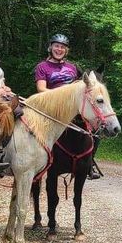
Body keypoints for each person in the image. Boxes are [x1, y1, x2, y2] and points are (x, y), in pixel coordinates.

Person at [33, 33, 102, 179]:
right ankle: (37, 161)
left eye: (63, 47)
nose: (59, 49)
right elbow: (41, 89)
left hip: (73, 106)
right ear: (50, 47)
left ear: (66, 50)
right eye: (57, 46)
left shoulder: (72, 67)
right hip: (53, 105)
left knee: (95, 129)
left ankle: (89, 163)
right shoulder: (42, 67)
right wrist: (62, 95)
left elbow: (82, 85)